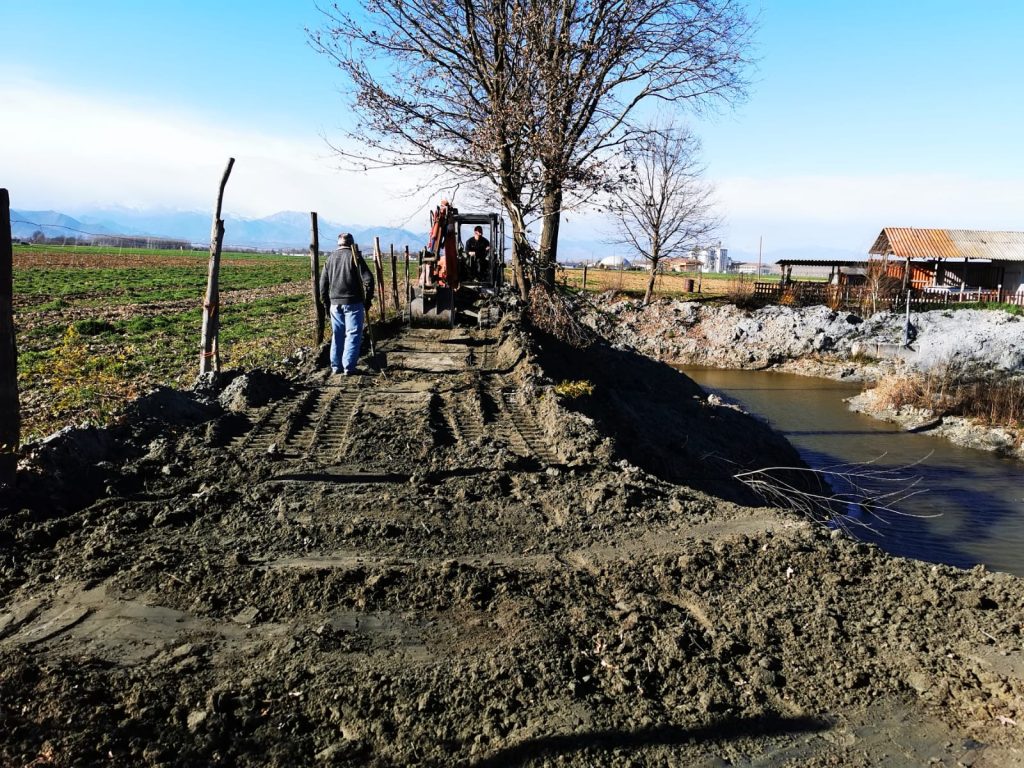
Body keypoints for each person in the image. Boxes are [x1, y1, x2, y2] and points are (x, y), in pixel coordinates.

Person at [319, 233, 375, 375]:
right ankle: (348, 367)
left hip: (334, 303)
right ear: (351, 244)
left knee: (337, 334)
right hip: (353, 303)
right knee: (353, 334)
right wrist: (367, 301)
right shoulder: (354, 257)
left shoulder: (330, 259)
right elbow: (369, 280)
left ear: (338, 244)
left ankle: (336, 366)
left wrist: (326, 304)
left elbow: (322, 285)